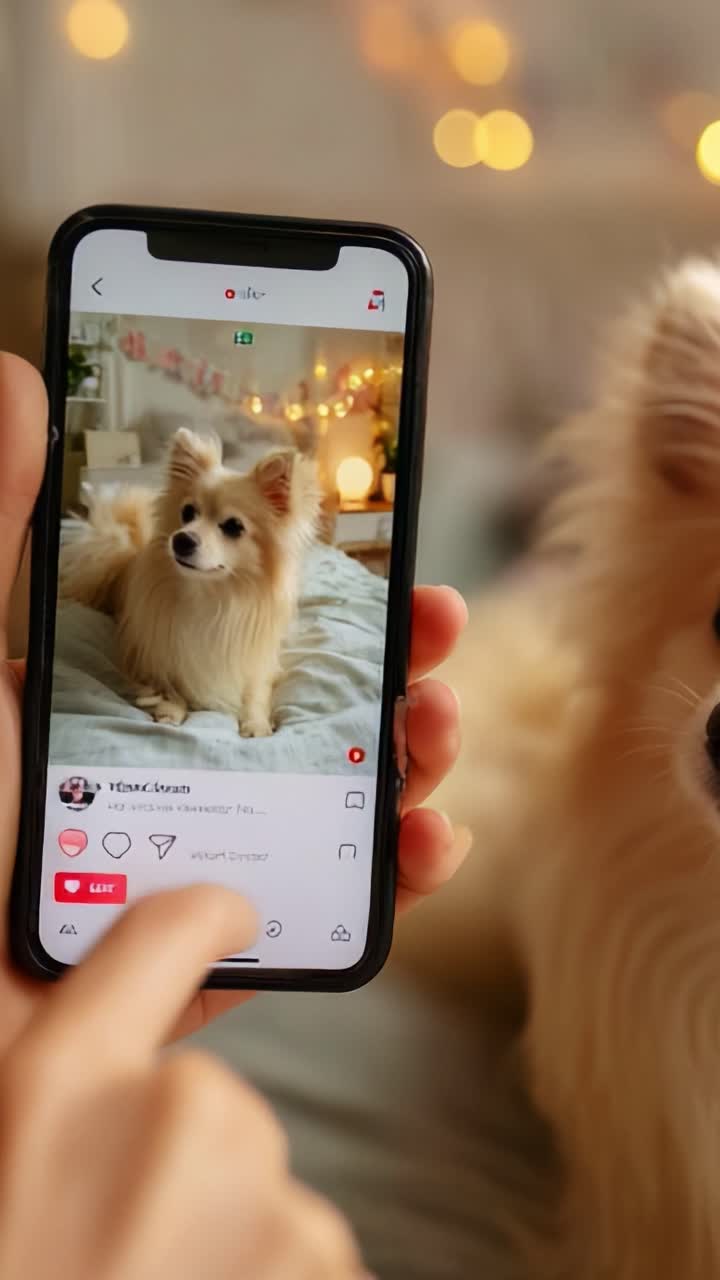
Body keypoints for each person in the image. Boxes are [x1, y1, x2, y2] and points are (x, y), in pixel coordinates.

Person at [0, 353, 469, 1278]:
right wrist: (159, 691)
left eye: (226, 528)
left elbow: (258, 676)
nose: (193, 537)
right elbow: (151, 659)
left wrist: (255, 716)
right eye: (190, 517)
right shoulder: (157, 576)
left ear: (274, 533)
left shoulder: (270, 594)